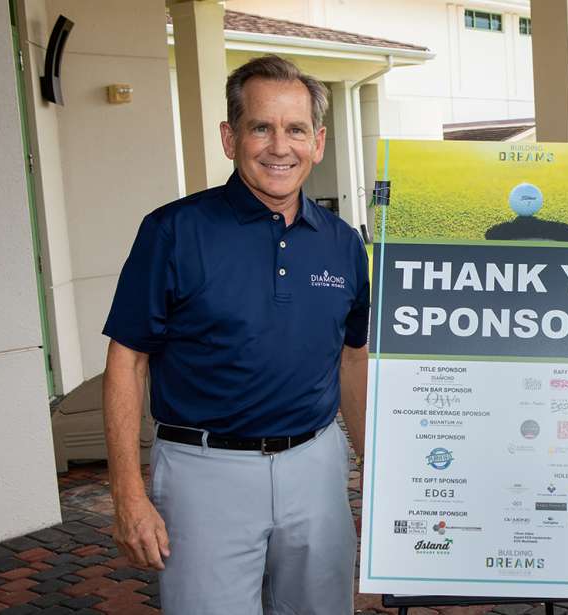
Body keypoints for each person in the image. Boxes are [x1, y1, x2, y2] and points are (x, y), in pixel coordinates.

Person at [101, 55, 370, 614]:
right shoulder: (173, 232)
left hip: (317, 469)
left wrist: (373, 466)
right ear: (231, 137)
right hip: (205, 474)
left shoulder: (345, 244)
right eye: (261, 127)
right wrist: (127, 493)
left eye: (296, 129)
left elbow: (353, 359)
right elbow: (127, 361)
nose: (280, 147)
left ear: (318, 142)